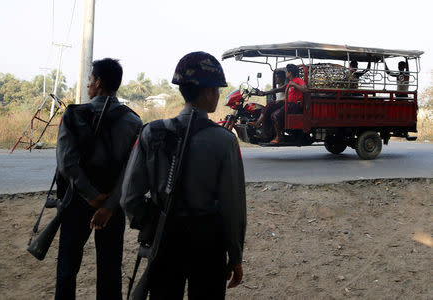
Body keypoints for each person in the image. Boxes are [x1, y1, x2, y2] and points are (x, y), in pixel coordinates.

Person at [120, 51, 246, 300]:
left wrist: (151, 223)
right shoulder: (225, 141)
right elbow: (233, 206)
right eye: (217, 90)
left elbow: (128, 198)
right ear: (208, 92)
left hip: (164, 239)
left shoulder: (151, 133)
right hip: (208, 243)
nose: (218, 95)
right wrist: (235, 254)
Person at [55, 58, 142, 300]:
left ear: (99, 82)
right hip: (113, 209)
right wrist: (109, 205)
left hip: (76, 202)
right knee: (110, 270)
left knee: (67, 269)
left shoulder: (73, 115)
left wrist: (91, 197)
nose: (88, 85)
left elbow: (66, 164)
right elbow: (132, 170)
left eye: (90, 80)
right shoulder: (134, 121)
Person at [271, 63, 307, 144]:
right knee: (273, 112)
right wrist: (264, 93)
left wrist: (294, 84)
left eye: (287, 71)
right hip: (288, 104)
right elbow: (279, 89)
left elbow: (305, 89)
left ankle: (279, 137)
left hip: (294, 105)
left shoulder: (297, 80)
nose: (286, 73)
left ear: (290, 72)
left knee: (275, 115)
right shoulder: (290, 82)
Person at [251, 68, 288, 139]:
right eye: (275, 77)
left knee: (269, 105)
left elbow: (279, 92)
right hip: (279, 104)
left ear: (282, 78)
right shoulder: (278, 86)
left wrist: (265, 93)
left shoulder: (285, 86)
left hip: (283, 104)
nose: (276, 79)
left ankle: (258, 123)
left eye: (277, 77)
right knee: (266, 111)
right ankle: (266, 133)